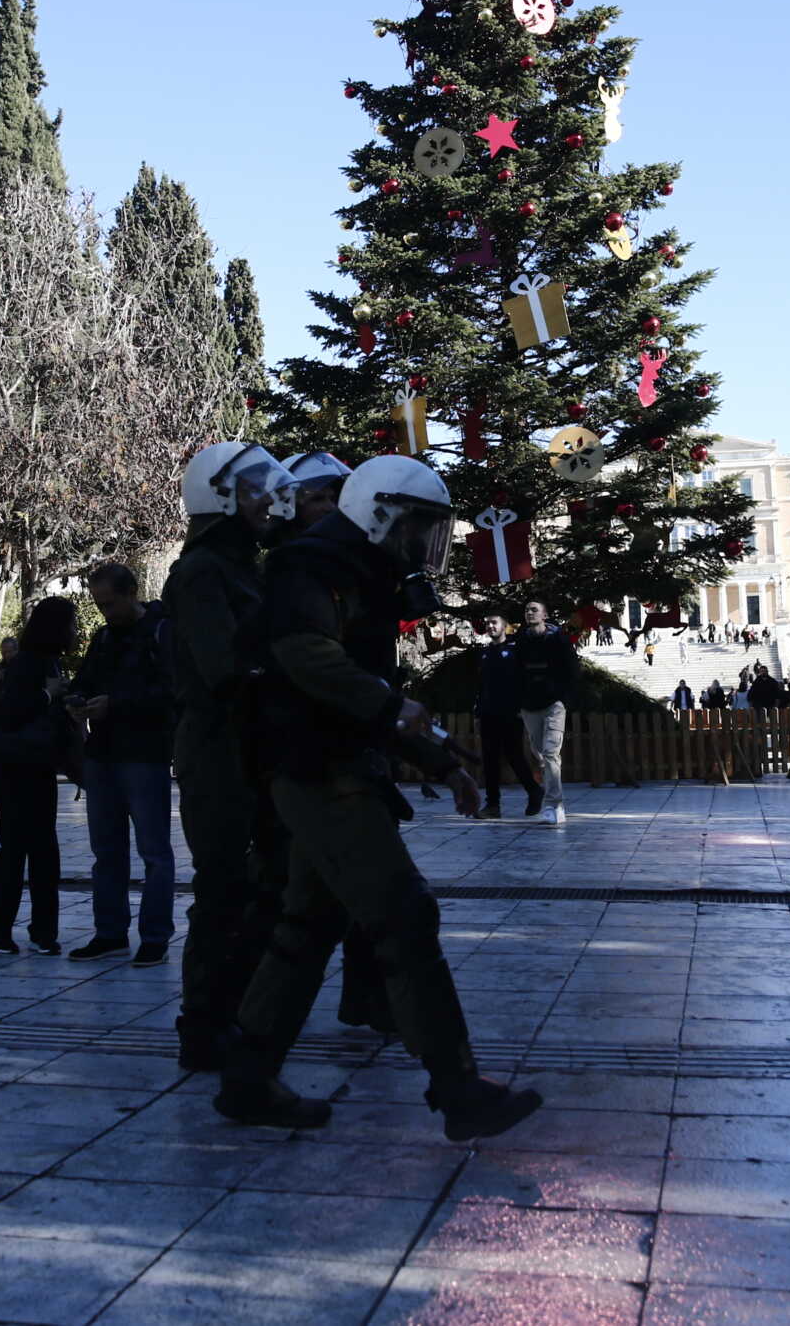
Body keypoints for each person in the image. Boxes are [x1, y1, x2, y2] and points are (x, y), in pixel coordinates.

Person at [214, 455, 541, 1142]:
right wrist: (394, 709)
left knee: (305, 927)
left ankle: (246, 1078)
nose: (429, 544)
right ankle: (458, 1089)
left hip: (327, 762)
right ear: (383, 513)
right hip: (314, 768)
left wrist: (436, 758)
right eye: (423, 526)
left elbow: (363, 692)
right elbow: (307, 654)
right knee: (404, 913)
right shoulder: (314, 565)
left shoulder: (362, 570)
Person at [162, 441, 295, 1068]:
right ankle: (203, 1027)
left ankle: (239, 1014)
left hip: (250, 748)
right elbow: (225, 670)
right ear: (218, 497)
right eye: (252, 490)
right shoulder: (202, 572)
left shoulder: (246, 566)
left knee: (260, 890)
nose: (267, 500)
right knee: (221, 890)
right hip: (218, 751)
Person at [68, 562, 176, 967]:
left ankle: (155, 936)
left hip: (145, 755)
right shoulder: (103, 638)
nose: (105, 613)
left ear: (132, 591)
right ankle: (110, 932)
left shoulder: (162, 633)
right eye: (99, 605)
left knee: (154, 852)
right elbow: (85, 681)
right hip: (103, 755)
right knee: (107, 852)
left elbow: (172, 692)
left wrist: (117, 704)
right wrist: (76, 701)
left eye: (110, 604)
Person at [0, 597, 78, 954]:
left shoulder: (49, 661)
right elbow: (13, 714)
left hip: (37, 767)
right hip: (14, 769)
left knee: (44, 850)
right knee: (16, 848)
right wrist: (48, 696)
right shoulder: (25, 665)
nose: (75, 631)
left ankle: (43, 931)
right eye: (71, 623)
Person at [515, 598, 581, 814]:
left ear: (544, 615)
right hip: (529, 704)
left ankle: (554, 805)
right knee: (540, 752)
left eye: (534, 610)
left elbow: (572, 670)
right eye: (527, 610)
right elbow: (514, 671)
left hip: (553, 704)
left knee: (552, 752)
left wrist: (564, 700)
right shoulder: (521, 640)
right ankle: (548, 781)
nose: (529, 613)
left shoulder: (558, 639)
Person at [472, 614, 540, 819]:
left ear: (504, 626)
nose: (490, 626)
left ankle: (534, 791)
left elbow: (525, 681)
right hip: (488, 713)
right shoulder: (484, 653)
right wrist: (478, 711)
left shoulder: (515, 651)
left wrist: (523, 707)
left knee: (514, 756)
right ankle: (492, 805)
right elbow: (481, 685)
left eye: (494, 623)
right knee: (490, 759)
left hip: (511, 713)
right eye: (487, 623)